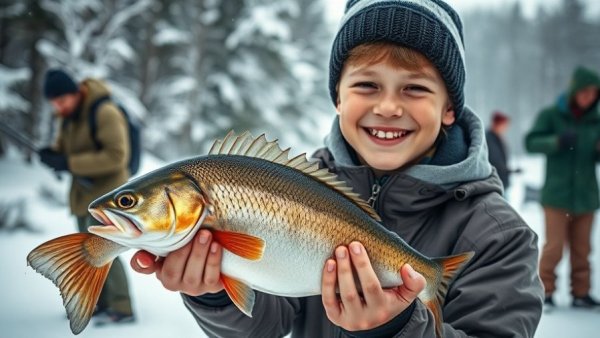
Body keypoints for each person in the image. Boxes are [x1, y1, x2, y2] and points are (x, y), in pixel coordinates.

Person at [130, 0, 543, 336]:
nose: (388, 107)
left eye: (415, 88)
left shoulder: (499, 237)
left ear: (449, 108)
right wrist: (214, 294)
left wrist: (395, 327)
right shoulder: (295, 189)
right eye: (367, 85)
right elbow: (267, 324)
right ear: (338, 99)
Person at [38, 68, 135, 324]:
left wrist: (69, 162)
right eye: (54, 103)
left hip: (110, 197)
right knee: (87, 252)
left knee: (105, 251)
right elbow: (65, 150)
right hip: (83, 197)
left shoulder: (105, 112)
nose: (58, 107)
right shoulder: (69, 117)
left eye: (61, 101)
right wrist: (52, 155)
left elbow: (117, 156)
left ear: (75, 92)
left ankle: (122, 307)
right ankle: (99, 303)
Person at [525, 65, 600, 310]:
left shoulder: (596, 120)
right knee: (554, 247)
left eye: (594, 93)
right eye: (585, 92)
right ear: (575, 91)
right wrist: (556, 141)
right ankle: (545, 292)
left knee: (583, 250)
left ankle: (581, 293)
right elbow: (531, 142)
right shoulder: (552, 115)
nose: (590, 98)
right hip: (556, 196)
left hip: (586, 196)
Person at [485, 111, 521, 192]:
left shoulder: (497, 138)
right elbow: (495, 162)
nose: (505, 128)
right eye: (504, 125)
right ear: (497, 124)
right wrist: (510, 171)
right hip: (496, 182)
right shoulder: (490, 140)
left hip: (501, 181)